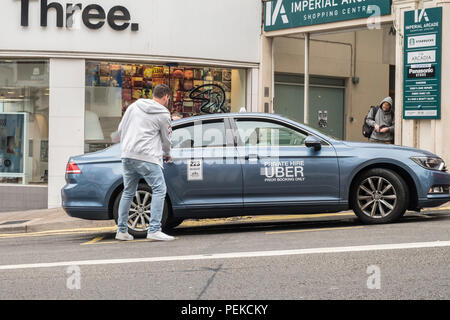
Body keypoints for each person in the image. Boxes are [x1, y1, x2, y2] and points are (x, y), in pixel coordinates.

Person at [115, 84, 175, 241]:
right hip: (147, 156)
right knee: (159, 189)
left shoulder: (134, 106)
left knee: (128, 191)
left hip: (127, 155)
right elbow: (166, 138)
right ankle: (154, 229)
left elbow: (121, 129)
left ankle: (121, 231)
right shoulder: (163, 113)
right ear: (166, 97)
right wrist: (167, 153)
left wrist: (128, 146)